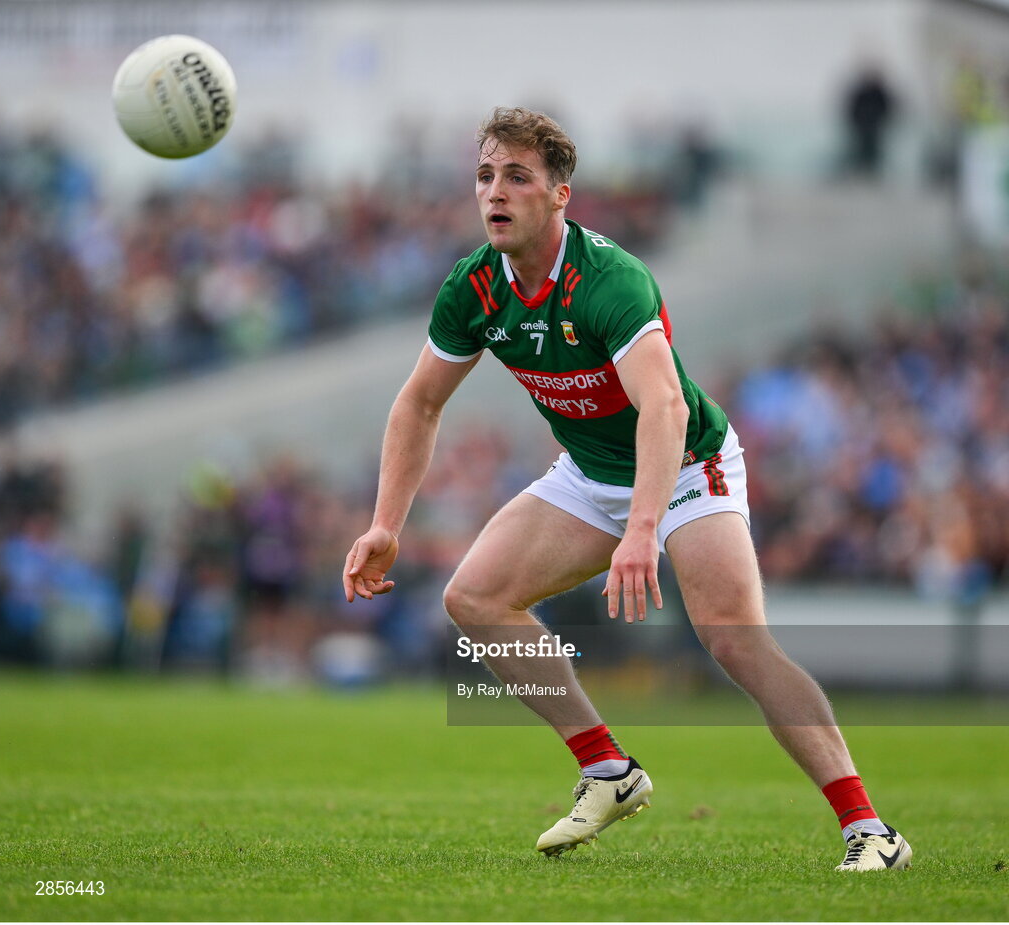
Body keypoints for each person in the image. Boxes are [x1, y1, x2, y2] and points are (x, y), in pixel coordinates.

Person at [343, 106, 911, 871]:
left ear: (560, 195)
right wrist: (386, 522)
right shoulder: (474, 287)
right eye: (485, 176)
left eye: (517, 176)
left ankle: (871, 831)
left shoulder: (609, 279)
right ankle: (608, 769)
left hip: (685, 464)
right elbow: (419, 402)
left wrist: (643, 528)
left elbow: (665, 407)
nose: (495, 193)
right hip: (590, 473)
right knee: (473, 597)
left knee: (732, 638)